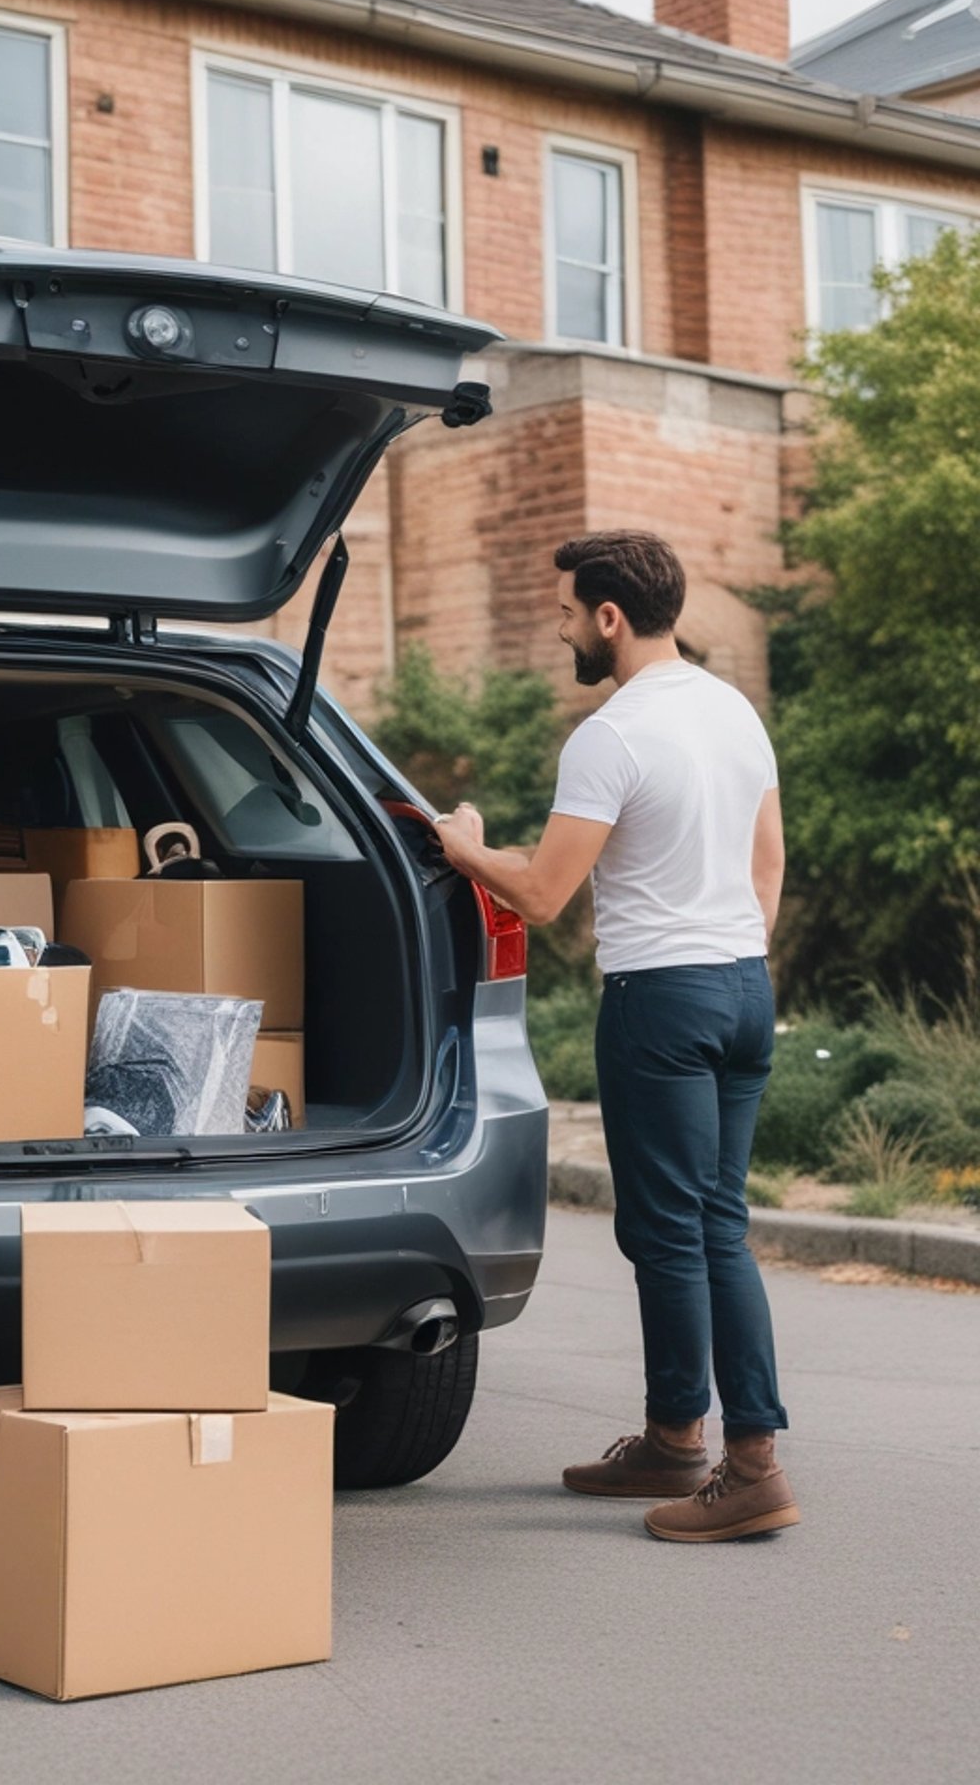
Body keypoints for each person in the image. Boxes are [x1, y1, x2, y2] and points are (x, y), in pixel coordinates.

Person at [431, 530, 798, 1544]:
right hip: (740, 988)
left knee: (683, 1235)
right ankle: (674, 1437)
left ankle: (753, 1464)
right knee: (696, 1223)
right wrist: (727, 953)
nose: (559, 633)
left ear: (608, 617)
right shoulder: (733, 712)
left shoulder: (612, 733)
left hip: (662, 1002)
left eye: (562, 614)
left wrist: (463, 850)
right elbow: (766, 862)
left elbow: (544, 894)